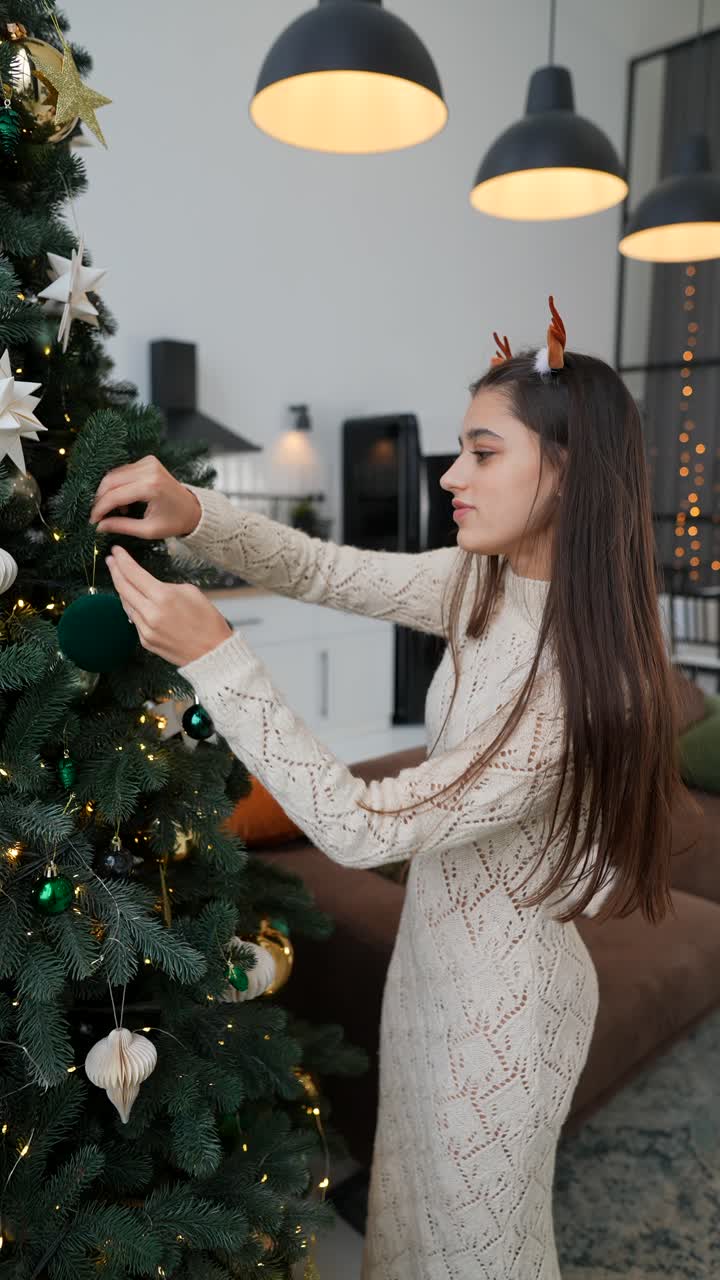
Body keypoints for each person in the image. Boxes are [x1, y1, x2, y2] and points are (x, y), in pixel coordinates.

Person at [89, 296, 700, 1280]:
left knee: (480, 1256)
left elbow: (362, 822)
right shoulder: (485, 581)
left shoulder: (576, 682)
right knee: (411, 1233)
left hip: (505, 1010)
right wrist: (198, 508)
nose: (450, 475)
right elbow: (325, 567)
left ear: (567, 473)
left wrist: (221, 657)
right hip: (434, 973)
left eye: (482, 452)